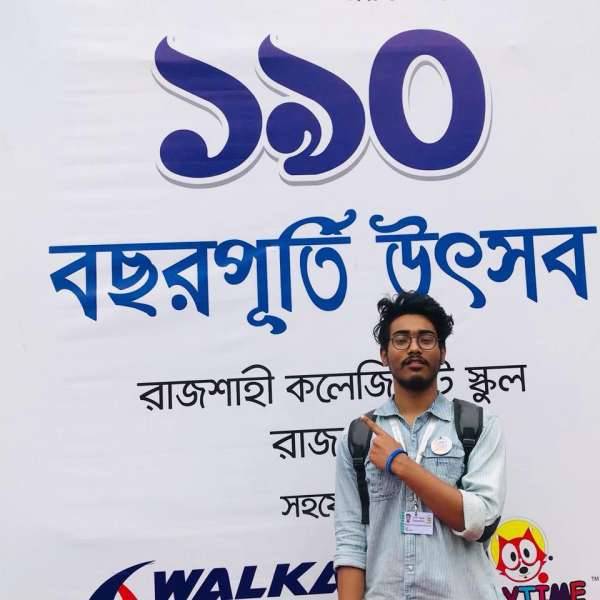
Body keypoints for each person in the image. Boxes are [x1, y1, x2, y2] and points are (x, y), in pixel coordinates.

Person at [334, 291, 506, 600]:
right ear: (384, 354)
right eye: (401, 340)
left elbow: (479, 523)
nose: (414, 348)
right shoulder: (359, 437)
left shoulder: (476, 425)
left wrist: (400, 464)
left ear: (442, 351)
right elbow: (351, 541)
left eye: (426, 339)